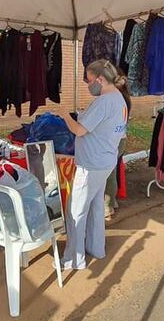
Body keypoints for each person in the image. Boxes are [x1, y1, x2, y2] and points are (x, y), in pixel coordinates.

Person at [58, 59, 128, 270]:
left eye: (89, 80)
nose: (88, 85)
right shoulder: (119, 99)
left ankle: (73, 259)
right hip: (105, 161)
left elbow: (80, 130)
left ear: (99, 79)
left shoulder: (104, 101)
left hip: (92, 165)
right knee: (96, 206)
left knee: (76, 211)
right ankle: (97, 248)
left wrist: (65, 116)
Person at [104, 67, 131, 221]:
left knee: (108, 174)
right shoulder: (123, 96)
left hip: (114, 139)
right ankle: (111, 203)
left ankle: (107, 208)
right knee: (111, 172)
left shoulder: (115, 98)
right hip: (119, 139)